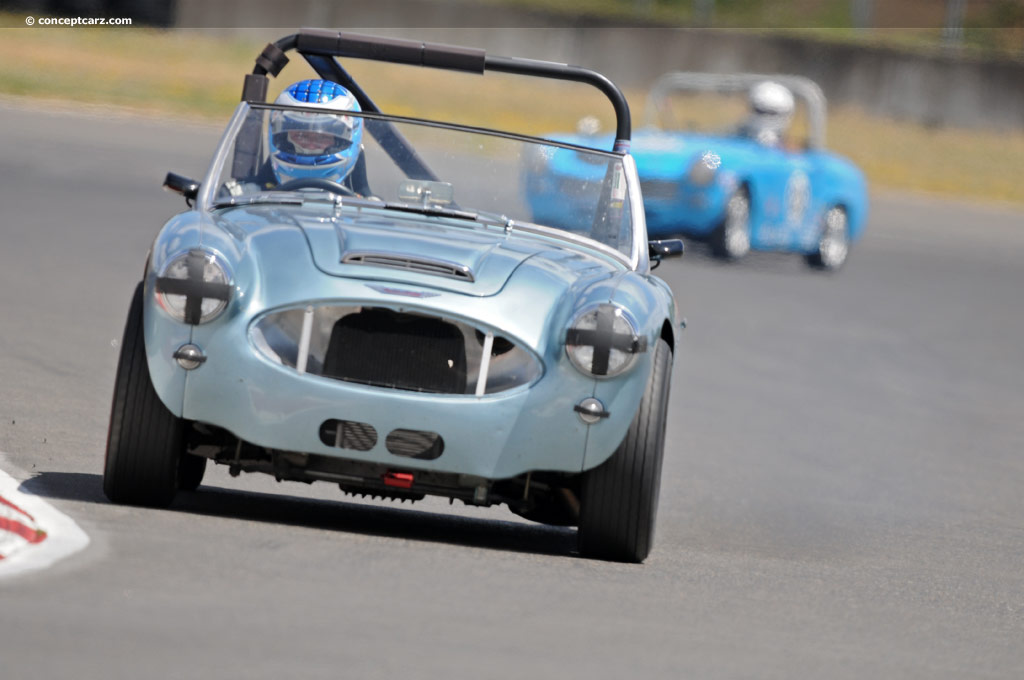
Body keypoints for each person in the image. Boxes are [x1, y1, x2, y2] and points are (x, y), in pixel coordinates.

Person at [263, 79, 368, 192]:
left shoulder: (367, 206)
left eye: (322, 137)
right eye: (301, 135)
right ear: (282, 138)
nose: (311, 146)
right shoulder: (247, 195)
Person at [738, 80, 794, 148]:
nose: (766, 117)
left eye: (772, 113)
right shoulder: (733, 143)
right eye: (760, 111)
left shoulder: (791, 153)